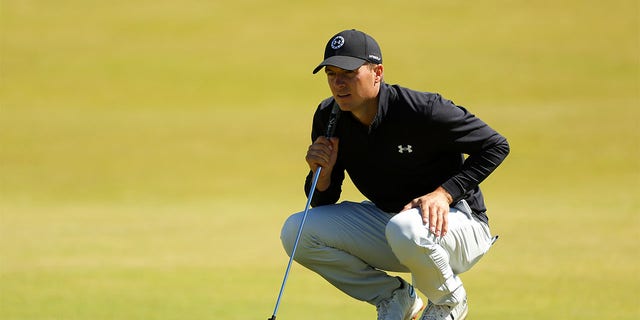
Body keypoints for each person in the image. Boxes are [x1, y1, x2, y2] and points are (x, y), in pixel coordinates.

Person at [280, 29, 510, 320]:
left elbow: (496, 145)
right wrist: (320, 175)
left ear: (377, 72)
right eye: (331, 73)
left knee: (405, 228)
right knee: (297, 232)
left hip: (459, 224)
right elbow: (324, 200)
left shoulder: (422, 110)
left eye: (349, 73)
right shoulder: (329, 116)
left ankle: (448, 302)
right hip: (395, 228)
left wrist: (444, 193)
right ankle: (395, 297)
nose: (338, 83)